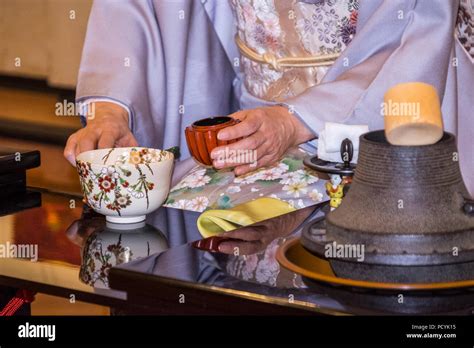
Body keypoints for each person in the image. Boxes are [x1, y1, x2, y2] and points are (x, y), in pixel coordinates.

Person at [64, 0, 473, 195]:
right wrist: (111, 112)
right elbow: (138, 8)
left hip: (362, 129)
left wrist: (294, 121)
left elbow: (414, 33)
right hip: (245, 137)